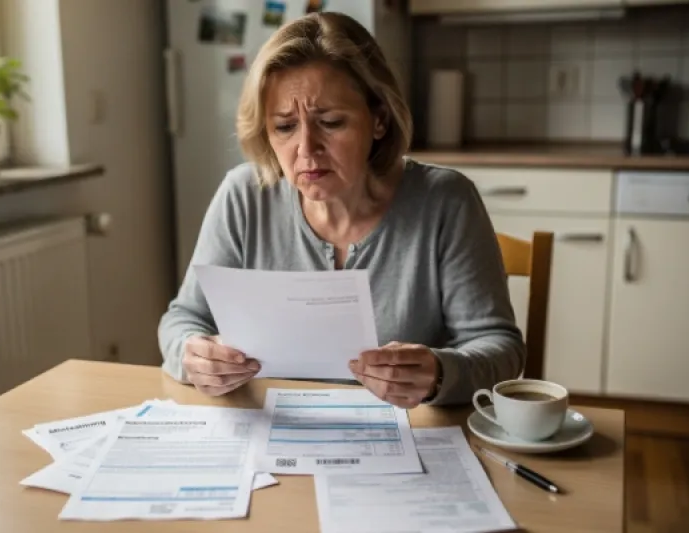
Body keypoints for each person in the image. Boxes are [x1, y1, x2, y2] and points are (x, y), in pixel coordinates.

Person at [158, 12, 525, 408]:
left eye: (330, 122)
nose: (305, 149)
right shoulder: (243, 196)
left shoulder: (446, 200)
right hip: (270, 435)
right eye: (284, 127)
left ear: (379, 119)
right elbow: (183, 318)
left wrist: (438, 374)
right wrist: (192, 355)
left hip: (408, 440)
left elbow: (501, 350)